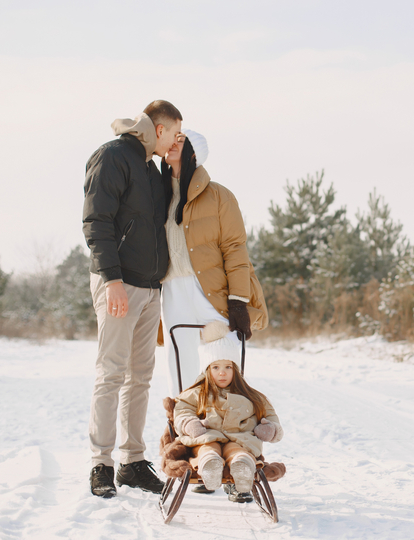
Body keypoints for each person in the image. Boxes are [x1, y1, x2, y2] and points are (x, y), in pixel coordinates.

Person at [82, 100, 182, 498]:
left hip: (151, 286)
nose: (177, 139)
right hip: (119, 283)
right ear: (159, 129)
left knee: (140, 378)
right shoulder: (113, 156)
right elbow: (96, 221)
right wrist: (113, 280)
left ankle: (132, 462)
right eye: (175, 133)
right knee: (111, 374)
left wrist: (176, 162)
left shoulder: (151, 167)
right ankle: (101, 465)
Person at [157, 129, 268, 397]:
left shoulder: (220, 196)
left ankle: (230, 428)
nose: (173, 143)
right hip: (172, 289)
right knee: (179, 364)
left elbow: (235, 249)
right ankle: (182, 429)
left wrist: (238, 300)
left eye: (180, 140)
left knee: (225, 361)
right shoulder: (156, 195)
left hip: (212, 288)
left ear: (194, 153)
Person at [173, 321, 283, 502]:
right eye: (216, 367)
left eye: (228, 367)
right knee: (208, 447)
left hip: (240, 439)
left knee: (238, 450)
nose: (222, 373)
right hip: (206, 437)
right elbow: (182, 409)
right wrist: (188, 423)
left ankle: (242, 466)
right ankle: (210, 464)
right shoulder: (197, 393)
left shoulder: (250, 395)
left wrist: (271, 428)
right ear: (207, 370)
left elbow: (269, 413)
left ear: (236, 370)